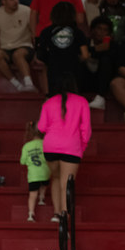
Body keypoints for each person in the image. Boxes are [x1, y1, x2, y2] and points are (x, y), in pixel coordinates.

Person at [38, 73, 91, 222]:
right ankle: (64, 217)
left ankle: (56, 213)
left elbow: (41, 127)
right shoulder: (82, 102)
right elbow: (85, 130)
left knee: (55, 178)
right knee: (66, 184)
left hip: (50, 147)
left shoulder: (48, 103)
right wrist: (82, 147)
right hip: (71, 147)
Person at [37, 1, 89, 95]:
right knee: (72, 98)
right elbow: (85, 55)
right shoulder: (78, 32)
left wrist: (50, 60)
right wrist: (76, 60)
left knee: (55, 99)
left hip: (54, 69)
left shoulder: (46, 32)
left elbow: (41, 54)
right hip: (74, 70)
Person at [0, 0, 37, 92]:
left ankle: (29, 83)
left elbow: (33, 32)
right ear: (3, 1)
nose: (16, 1)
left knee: (18, 54)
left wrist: (37, 51)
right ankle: (17, 85)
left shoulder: (26, 10)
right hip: (6, 48)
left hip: (24, 46)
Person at [19, 120, 49, 221]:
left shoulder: (26, 146)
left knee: (32, 194)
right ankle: (42, 197)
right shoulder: (45, 144)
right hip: (45, 171)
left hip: (33, 174)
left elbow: (22, 161)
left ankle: (31, 214)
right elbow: (49, 158)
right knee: (44, 184)